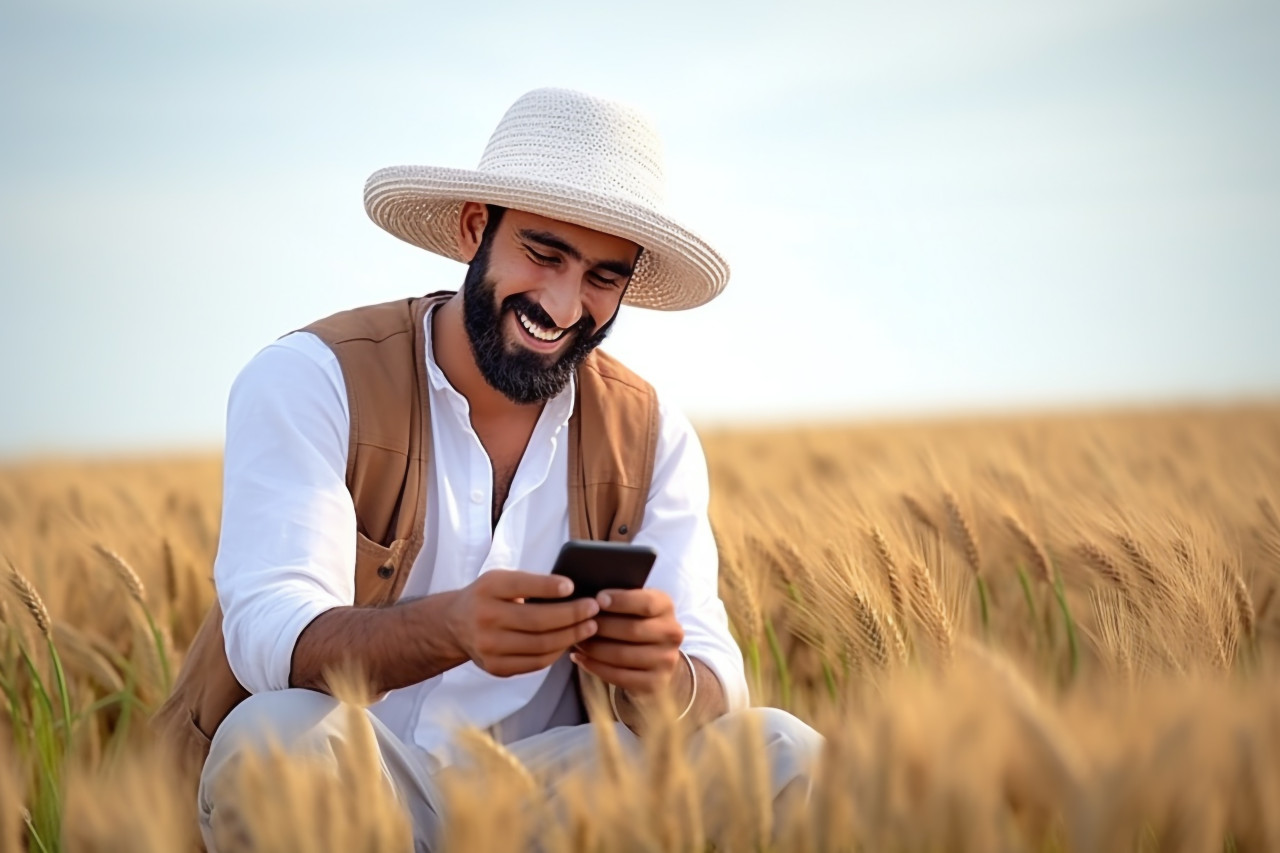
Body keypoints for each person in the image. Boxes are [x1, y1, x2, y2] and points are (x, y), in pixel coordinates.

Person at [157, 87, 821, 850]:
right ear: (478, 226)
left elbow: (718, 679)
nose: (564, 304)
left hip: (564, 799)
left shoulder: (652, 432)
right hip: (362, 786)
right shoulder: (315, 377)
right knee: (276, 739)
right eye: (544, 253)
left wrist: (662, 673)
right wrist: (450, 628)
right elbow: (269, 635)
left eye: (604, 277)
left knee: (784, 753)